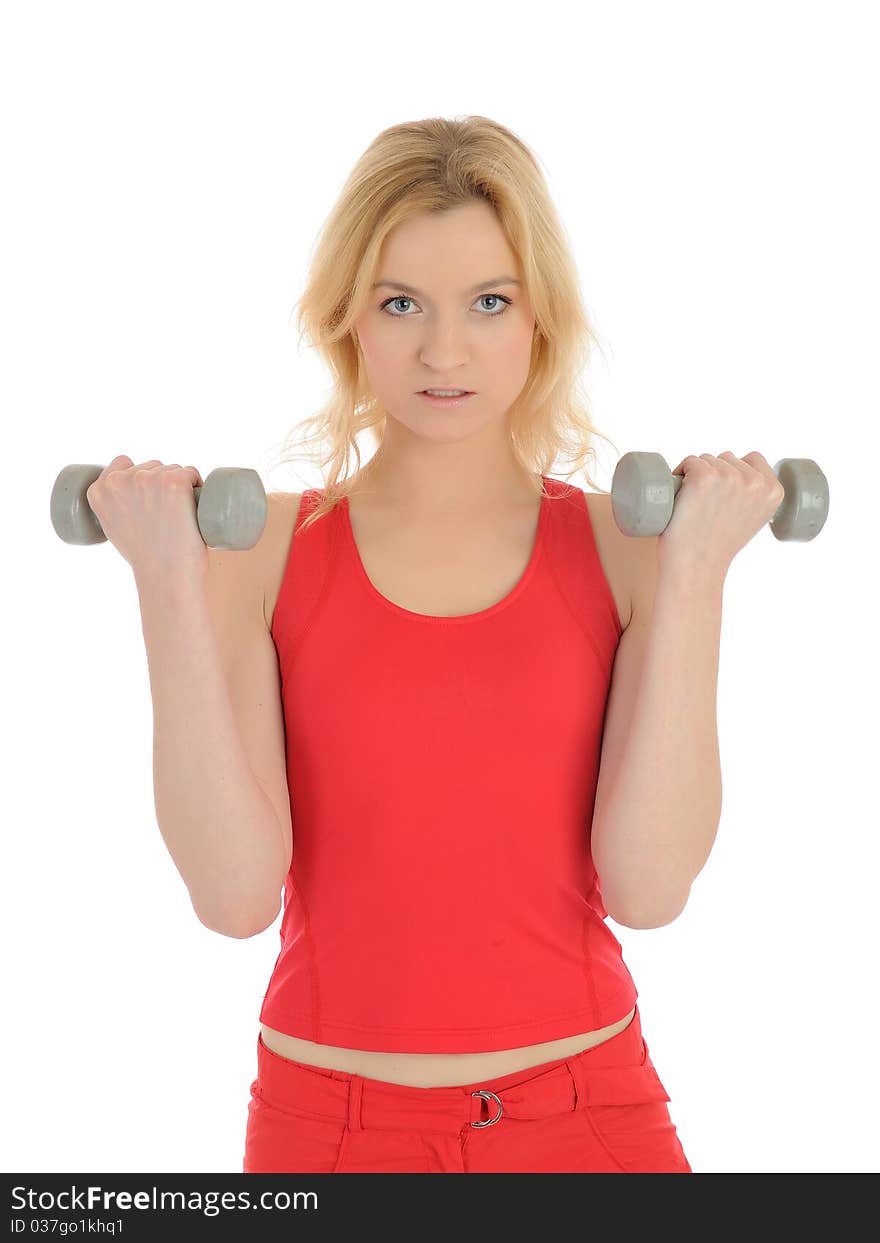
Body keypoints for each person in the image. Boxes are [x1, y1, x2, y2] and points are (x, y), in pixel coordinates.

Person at [87, 116, 783, 1174]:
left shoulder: (632, 547)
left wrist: (696, 570)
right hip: (329, 1126)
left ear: (538, 320)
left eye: (488, 303)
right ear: (347, 321)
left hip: (587, 1109)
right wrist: (165, 582)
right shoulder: (259, 549)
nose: (443, 351)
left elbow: (647, 889)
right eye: (399, 303)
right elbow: (233, 898)